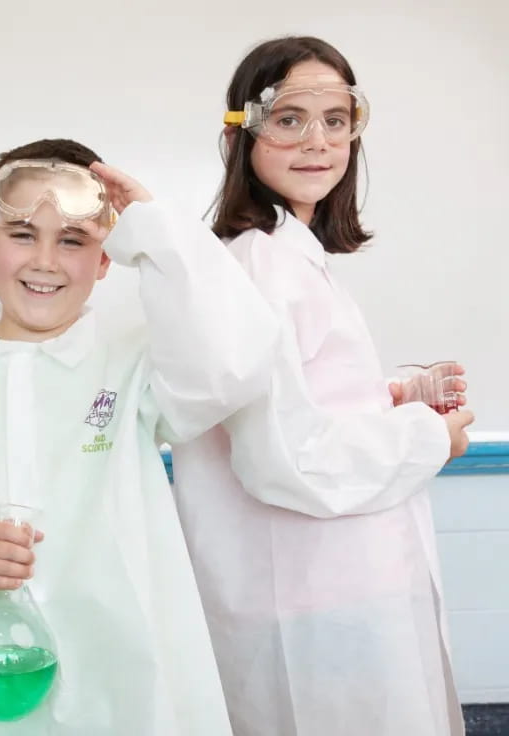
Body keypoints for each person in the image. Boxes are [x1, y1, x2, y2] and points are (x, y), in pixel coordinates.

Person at [0, 138, 280, 734]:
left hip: (126, 673)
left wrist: (156, 231)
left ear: (107, 258)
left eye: (73, 240)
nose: (45, 261)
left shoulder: (136, 365)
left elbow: (236, 361)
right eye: (22, 235)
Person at [172, 35, 474, 736]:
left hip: (330, 589)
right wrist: (433, 435)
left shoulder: (288, 255)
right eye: (290, 119)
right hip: (310, 600)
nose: (317, 142)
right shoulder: (260, 266)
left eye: (336, 120)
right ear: (242, 134)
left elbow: (304, 400)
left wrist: (397, 392)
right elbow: (287, 457)